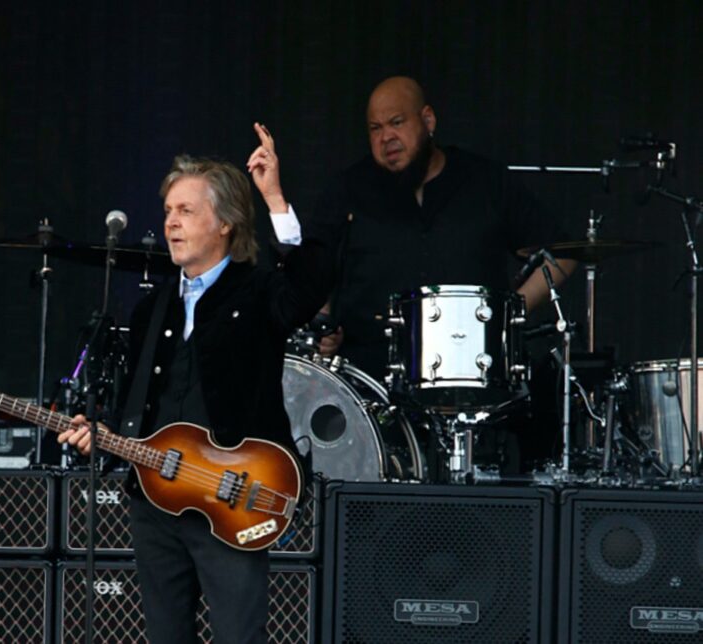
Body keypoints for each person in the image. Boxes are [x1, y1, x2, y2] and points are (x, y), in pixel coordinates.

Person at [58, 123, 330, 644]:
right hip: (155, 501)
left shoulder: (256, 291)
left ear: (225, 222)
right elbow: (136, 408)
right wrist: (102, 433)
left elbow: (309, 287)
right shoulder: (150, 309)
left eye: (186, 211)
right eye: (168, 212)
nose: (171, 223)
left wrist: (273, 197)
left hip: (233, 496)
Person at [309, 75, 577, 381]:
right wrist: (323, 324)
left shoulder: (485, 181)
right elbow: (312, 265)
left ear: (428, 120)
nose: (386, 137)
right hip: (369, 379)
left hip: (476, 371)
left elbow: (562, 254)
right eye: (375, 128)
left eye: (396, 122)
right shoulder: (348, 189)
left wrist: (510, 315)